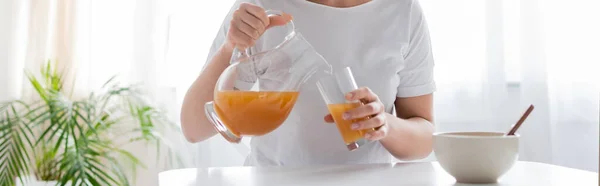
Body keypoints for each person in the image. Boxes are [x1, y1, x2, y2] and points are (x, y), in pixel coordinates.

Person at [180, 0, 435, 166]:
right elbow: (194, 128)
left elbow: (424, 139)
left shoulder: (404, 11)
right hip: (274, 181)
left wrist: (385, 125)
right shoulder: (261, 8)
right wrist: (230, 47)